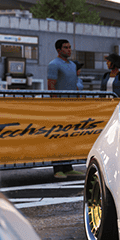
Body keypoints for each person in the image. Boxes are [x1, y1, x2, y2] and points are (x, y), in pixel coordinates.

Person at [43, 39, 80, 178]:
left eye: (70, 47)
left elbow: (75, 84)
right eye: (66, 47)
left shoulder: (72, 65)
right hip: (59, 107)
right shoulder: (53, 65)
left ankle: (68, 166)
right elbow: (51, 85)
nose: (69, 50)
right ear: (59, 50)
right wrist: (56, 106)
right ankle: (57, 168)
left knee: (69, 136)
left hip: (72, 106)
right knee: (58, 136)